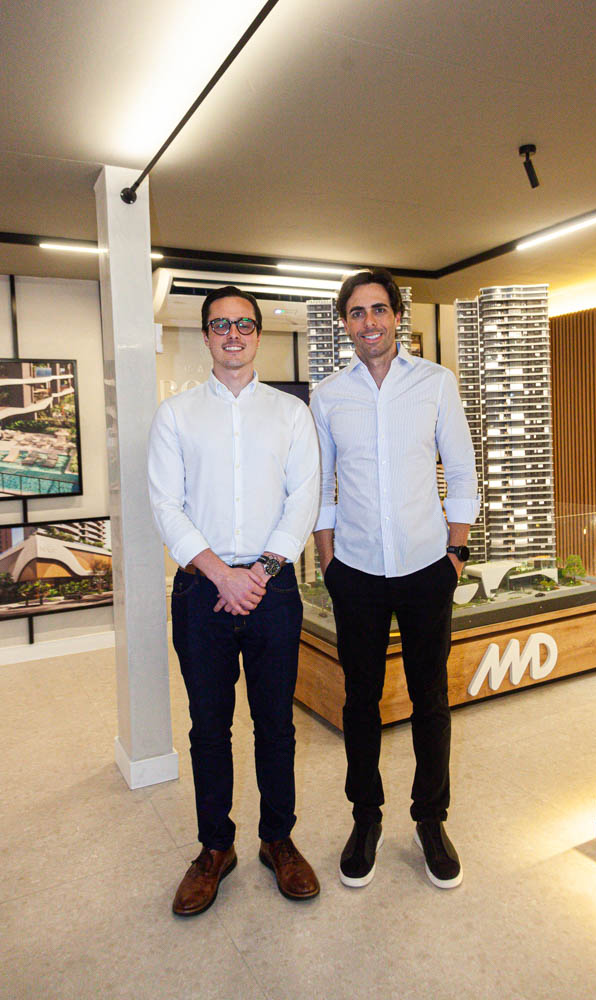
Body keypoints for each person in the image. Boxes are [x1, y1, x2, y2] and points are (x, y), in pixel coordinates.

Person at [148, 285, 321, 915]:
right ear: (205, 336)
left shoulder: (291, 414)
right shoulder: (176, 415)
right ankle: (215, 848)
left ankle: (278, 839)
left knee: (276, 724)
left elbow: (303, 498)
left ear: (257, 335)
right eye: (220, 325)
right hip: (203, 590)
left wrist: (261, 572)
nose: (232, 335)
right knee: (209, 727)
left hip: (273, 591)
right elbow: (166, 505)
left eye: (243, 324)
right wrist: (223, 575)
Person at [310, 268, 479, 890]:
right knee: (360, 701)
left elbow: (461, 470)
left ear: (397, 317)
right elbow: (321, 485)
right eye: (356, 313)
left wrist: (455, 553)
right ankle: (366, 818)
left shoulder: (435, 382)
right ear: (345, 324)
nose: (369, 322)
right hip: (354, 571)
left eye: (378, 309)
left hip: (427, 568)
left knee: (431, 699)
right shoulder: (328, 395)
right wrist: (328, 562)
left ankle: (430, 820)